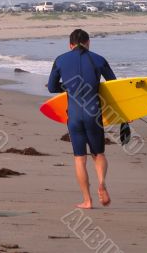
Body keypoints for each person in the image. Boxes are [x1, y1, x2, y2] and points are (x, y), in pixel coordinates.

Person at [47, 29, 116, 209]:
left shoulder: (60, 59)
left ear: (70, 45)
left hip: (75, 115)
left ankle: (87, 200)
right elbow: (114, 85)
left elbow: (52, 88)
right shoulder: (98, 59)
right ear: (88, 42)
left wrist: (68, 87)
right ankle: (102, 183)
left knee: (79, 158)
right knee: (98, 154)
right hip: (94, 114)